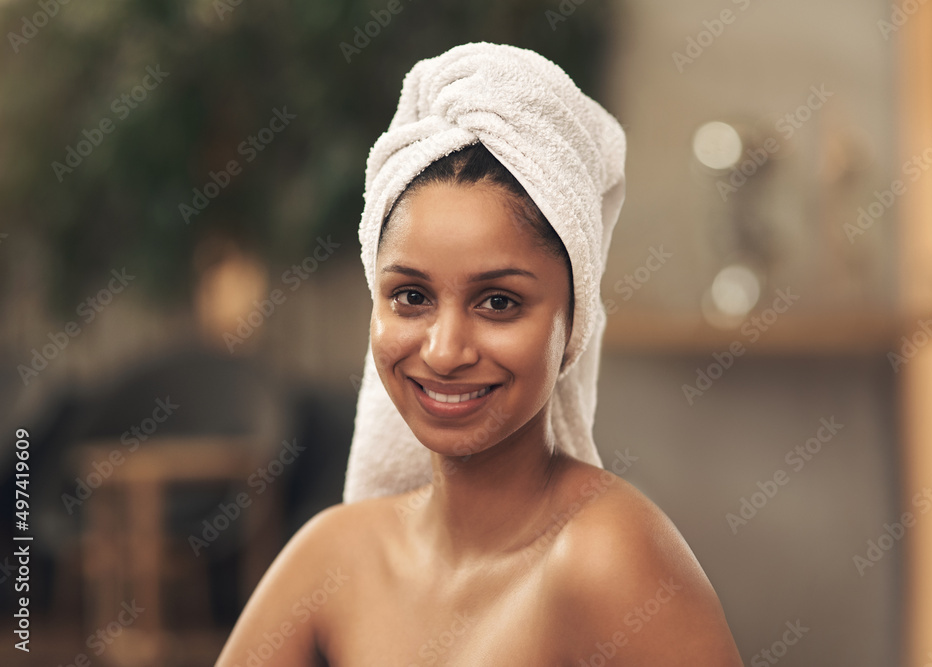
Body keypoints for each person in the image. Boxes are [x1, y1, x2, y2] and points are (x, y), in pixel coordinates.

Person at [216, 43, 743, 666]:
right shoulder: (333, 557)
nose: (444, 351)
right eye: (410, 296)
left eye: (498, 303)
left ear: (572, 318)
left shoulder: (608, 557)